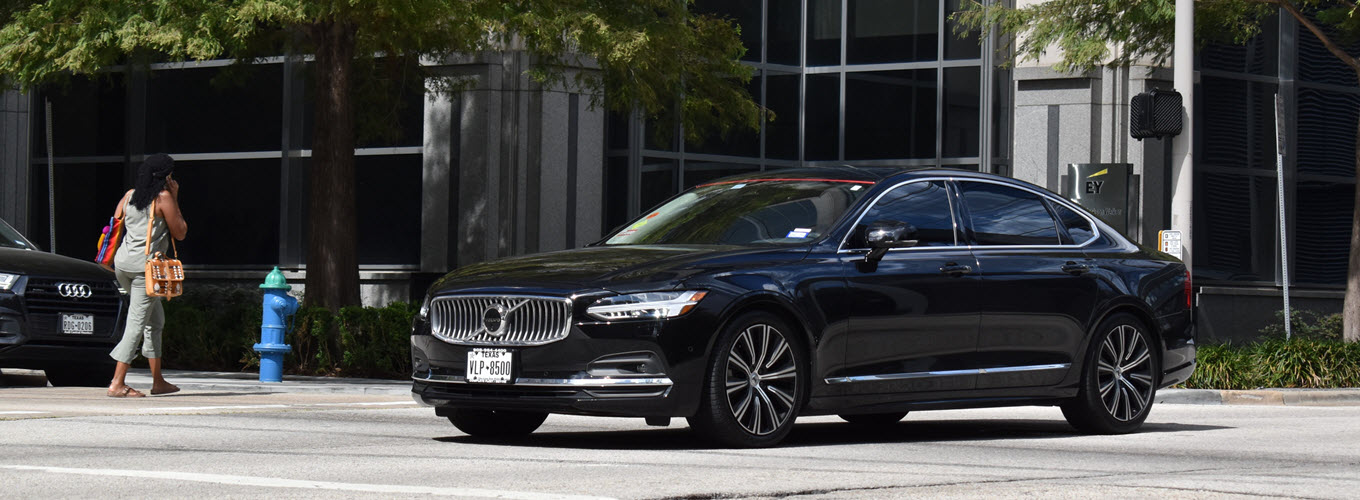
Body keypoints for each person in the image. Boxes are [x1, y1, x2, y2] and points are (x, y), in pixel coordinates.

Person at [106, 153, 187, 398]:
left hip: (123, 265)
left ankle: (158, 381)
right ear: (166, 176)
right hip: (146, 271)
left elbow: (115, 223)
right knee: (136, 324)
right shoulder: (163, 198)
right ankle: (117, 383)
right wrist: (175, 197)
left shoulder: (129, 195)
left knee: (155, 321)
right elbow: (180, 232)